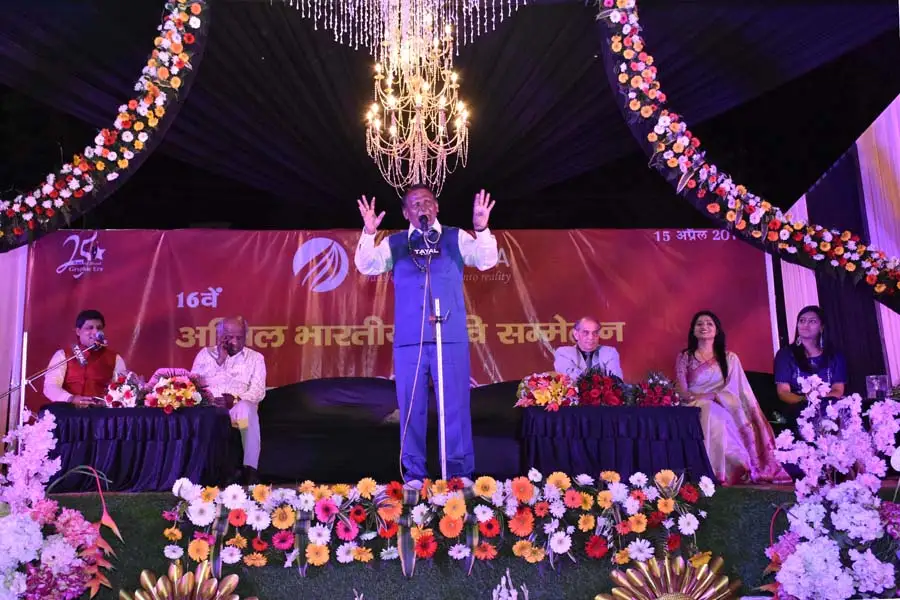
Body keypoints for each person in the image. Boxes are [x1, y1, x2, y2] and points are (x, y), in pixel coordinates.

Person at [354, 185, 498, 488]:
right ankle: (415, 476)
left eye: (428, 202)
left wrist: (482, 229)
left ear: (437, 207)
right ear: (406, 212)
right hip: (410, 341)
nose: (423, 207)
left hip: (450, 337)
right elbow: (366, 265)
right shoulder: (395, 243)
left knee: (455, 406)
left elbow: (485, 260)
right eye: (416, 203)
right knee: (411, 408)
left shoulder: (454, 237)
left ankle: (458, 474)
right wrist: (368, 233)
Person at [674, 311, 790, 485]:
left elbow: (736, 390)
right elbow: (681, 388)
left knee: (715, 412)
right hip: (692, 403)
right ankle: (710, 471)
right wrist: (692, 397)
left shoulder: (729, 358)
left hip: (722, 404)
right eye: (699, 324)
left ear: (717, 330)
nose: (704, 326)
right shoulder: (685, 356)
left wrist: (712, 396)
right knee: (708, 410)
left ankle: (725, 470)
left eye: (709, 323)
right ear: (693, 330)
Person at [191, 317, 267, 485]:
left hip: (237, 410)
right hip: (209, 408)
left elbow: (258, 391)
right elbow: (193, 384)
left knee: (246, 409)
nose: (234, 342)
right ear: (219, 336)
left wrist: (235, 400)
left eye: (239, 337)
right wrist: (220, 360)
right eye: (229, 337)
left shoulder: (255, 358)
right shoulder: (205, 355)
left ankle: (250, 470)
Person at [774, 305, 847, 428]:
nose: (805, 325)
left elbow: (838, 390)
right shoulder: (785, 354)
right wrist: (806, 400)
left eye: (812, 321)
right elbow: (783, 392)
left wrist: (819, 400)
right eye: (802, 321)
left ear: (822, 327)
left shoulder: (835, 356)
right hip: (799, 408)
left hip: (829, 407)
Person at [44, 309, 126, 407]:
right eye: (89, 328)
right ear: (78, 331)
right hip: (68, 411)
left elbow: (122, 390)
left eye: (99, 328)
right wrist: (71, 399)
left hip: (100, 412)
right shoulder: (64, 355)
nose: (95, 332)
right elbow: (50, 386)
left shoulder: (115, 358)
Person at [553, 316, 623, 380]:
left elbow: (617, 380)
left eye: (595, 333)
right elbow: (572, 376)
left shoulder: (610, 352)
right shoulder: (564, 353)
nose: (591, 337)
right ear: (576, 334)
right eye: (585, 332)